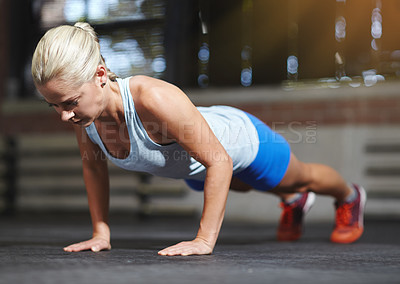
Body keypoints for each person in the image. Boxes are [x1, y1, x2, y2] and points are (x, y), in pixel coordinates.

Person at [31, 22, 366, 256]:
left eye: (69, 102)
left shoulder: (153, 98)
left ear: (100, 75)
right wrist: (101, 233)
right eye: (53, 105)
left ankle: (349, 196)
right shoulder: (83, 114)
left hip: (240, 143)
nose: (63, 115)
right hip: (198, 167)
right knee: (246, 184)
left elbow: (220, 160)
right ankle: (293, 201)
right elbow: (93, 169)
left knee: (299, 175)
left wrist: (204, 240)